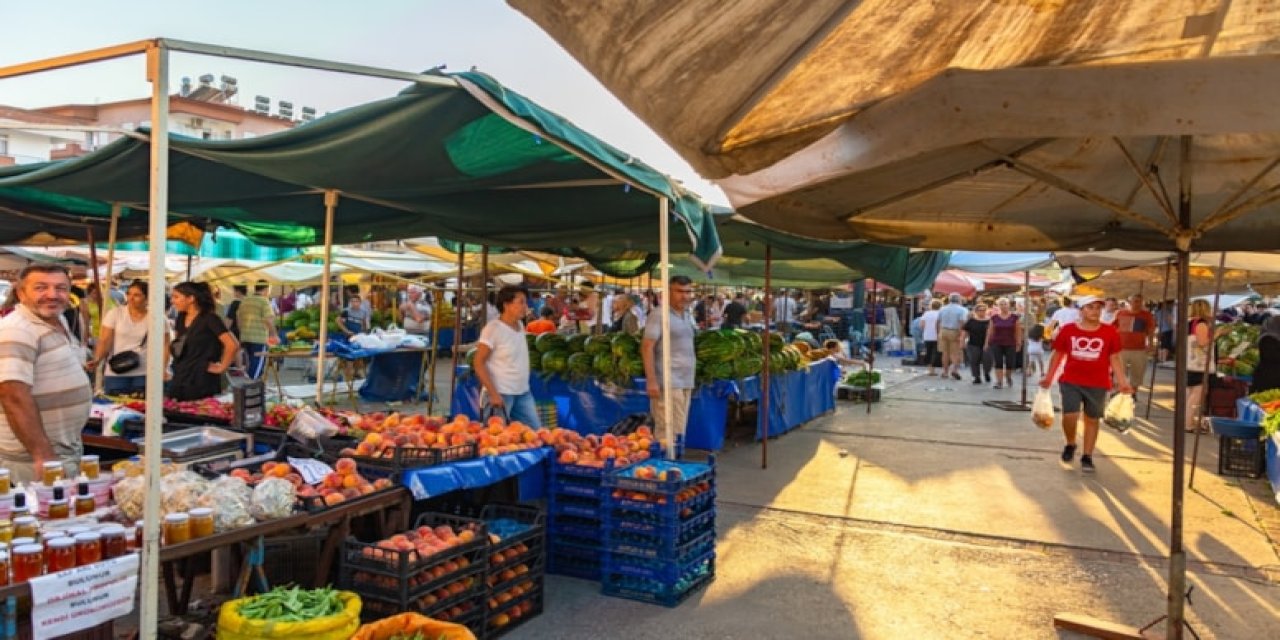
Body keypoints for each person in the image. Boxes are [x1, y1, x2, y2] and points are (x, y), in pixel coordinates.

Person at [0, 265, 94, 484]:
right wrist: (42, 454)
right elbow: (12, 396)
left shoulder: (58, 320)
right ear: (21, 293)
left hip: (61, 452)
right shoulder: (17, 329)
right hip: (29, 463)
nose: (52, 294)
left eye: (60, 288)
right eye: (40, 288)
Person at [1041, 295, 1133, 474]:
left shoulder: (1109, 332)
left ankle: (1087, 456)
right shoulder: (1068, 330)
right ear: (1081, 310)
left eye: (1098, 308)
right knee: (1070, 415)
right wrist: (1048, 377)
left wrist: (1122, 381)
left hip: (1098, 382)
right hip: (1071, 380)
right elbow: (1058, 354)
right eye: (1090, 307)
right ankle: (1070, 443)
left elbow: (1114, 357)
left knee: (1092, 419)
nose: (1095, 311)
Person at [642, 276, 697, 451]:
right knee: (667, 433)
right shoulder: (659, 314)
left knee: (679, 431)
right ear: (668, 292)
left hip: (685, 381)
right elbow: (646, 347)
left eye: (688, 291)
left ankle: (674, 467)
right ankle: (665, 470)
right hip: (668, 381)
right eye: (679, 291)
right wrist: (651, 380)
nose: (685, 296)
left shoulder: (687, 315)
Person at [473, 286, 540, 427]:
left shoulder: (520, 325)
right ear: (506, 305)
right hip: (500, 393)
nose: (525, 307)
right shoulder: (493, 329)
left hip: (522, 392)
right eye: (521, 302)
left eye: (525, 302)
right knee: (495, 441)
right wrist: (493, 394)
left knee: (535, 434)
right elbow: (478, 363)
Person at [91, 280, 169, 396]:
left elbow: (165, 344)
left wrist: (162, 369)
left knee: (143, 409)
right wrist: (97, 359)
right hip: (117, 371)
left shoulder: (157, 317)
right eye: (129, 294)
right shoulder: (115, 313)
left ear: (147, 298)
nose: (131, 298)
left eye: (137, 295)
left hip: (145, 372)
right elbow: (105, 340)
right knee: (115, 408)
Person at [169, 282, 239, 401]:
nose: (172, 301)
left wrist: (222, 367)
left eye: (176, 297)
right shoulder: (181, 317)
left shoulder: (210, 319)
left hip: (201, 378)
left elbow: (232, 344)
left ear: (191, 298)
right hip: (181, 374)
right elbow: (178, 343)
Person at [1184, 299, 1218, 433]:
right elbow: (1203, 342)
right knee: (1196, 395)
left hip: (1191, 363)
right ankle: (1189, 424)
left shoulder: (1189, 322)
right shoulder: (1201, 324)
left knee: (1191, 394)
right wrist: (1217, 335)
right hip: (1199, 365)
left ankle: (1188, 421)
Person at [1113, 294, 1156, 398]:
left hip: (1139, 348)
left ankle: (1133, 393)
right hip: (1121, 348)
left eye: (1139, 301)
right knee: (1119, 372)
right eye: (1135, 301)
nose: (1137, 304)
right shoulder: (1120, 313)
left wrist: (1151, 344)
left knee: (1137, 372)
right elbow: (1113, 328)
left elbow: (1151, 330)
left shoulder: (1146, 315)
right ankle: (1119, 392)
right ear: (1129, 301)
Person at [236, 281, 276, 380]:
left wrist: (242, 332)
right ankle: (251, 388)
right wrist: (273, 334)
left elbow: (238, 318)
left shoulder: (245, 301)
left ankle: (249, 387)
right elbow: (268, 319)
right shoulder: (264, 301)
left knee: (250, 363)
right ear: (267, 289)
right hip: (259, 339)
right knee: (257, 365)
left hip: (245, 337)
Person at [985, 298, 1022, 389]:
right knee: (998, 362)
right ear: (998, 306)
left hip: (1010, 342)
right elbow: (990, 331)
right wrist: (986, 343)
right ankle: (999, 382)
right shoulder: (994, 317)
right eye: (1001, 304)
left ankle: (1008, 377)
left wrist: (1019, 343)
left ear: (1008, 305)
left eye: (1005, 304)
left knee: (1010, 363)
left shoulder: (1014, 317)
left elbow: (1018, 331)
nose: (1003, 306)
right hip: (996, 342)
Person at [936, 293, 969, 381]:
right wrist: (961, 335)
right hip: (955, 331)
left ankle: (945, 372)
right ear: (959, 300)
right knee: (956, 353)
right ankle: (955, 370)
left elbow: (938, 321)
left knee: (945, 353)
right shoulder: (962, 310)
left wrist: (938, 333)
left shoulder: (942, 308)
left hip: (943, 331)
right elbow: (962, 322)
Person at [961, 302, 992, 384]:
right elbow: (964, 331)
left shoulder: (990, 321)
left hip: (987, 343)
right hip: (973, 344)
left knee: (987, 360)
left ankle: (986, 372)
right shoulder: (971, 321)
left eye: (984, 310)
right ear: (976, 311)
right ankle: (976, 377)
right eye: (980, 310)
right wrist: (962, 341)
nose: (982, 312)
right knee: (974, 361)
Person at [1251, 315, 1280, 395]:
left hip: (1268, 376)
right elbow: (1273, 357)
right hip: (1269, 378)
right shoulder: (1268, 340)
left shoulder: (1273, 337)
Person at [919, 299, 941, 375]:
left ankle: (930, 369)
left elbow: (921, 325)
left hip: (927, 336)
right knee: (935, 353)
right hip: (937, 336)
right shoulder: (940, 314)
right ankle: (933, 370)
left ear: (931, 306)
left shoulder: (926, 314)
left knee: (928, 352)